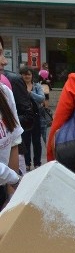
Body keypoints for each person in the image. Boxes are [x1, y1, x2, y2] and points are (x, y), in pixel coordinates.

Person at [0, 37, 23, 210]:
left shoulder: (5, 93)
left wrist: (11, 195)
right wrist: (14, 179)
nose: (4, 61)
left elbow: (13, 143)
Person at [18, 66, 44, 171]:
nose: (27, 76)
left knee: (37, 141)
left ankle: (37, 162)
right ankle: (27, 163)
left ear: (32, 75)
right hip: (24, 117)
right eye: (24, 74)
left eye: (29, 74)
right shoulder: (19, 86)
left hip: (36, 116)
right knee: (26, 140)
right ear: (21, 75)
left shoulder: (37, 86)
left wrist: (30, 93)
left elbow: (41, 98)